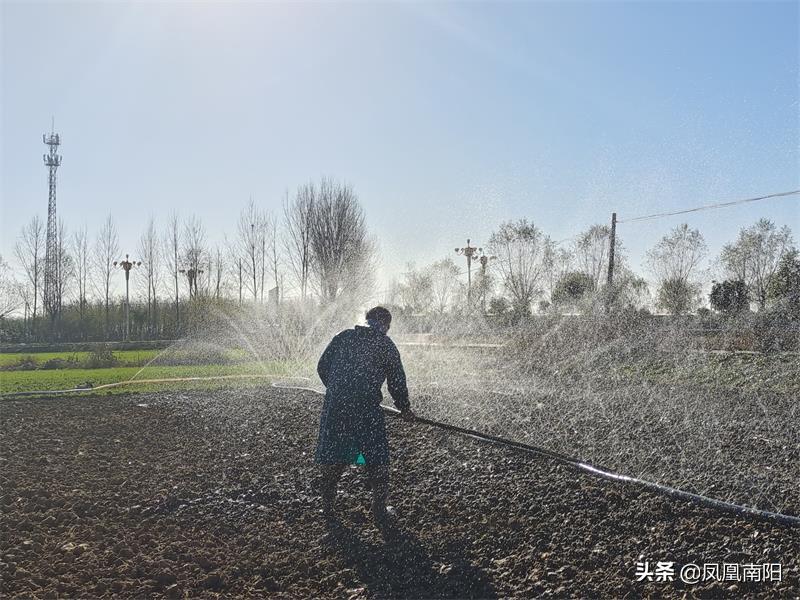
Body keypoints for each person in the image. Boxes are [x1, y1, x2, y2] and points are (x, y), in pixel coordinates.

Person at [315, 306, 415, 534]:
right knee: (376, 459)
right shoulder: (385, 344)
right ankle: (379, 511)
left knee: (336, 456)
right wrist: (405, 408)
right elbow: (397, 381)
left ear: (366, 320)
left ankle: (328, 509)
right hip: (366, 411)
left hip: (336, 409)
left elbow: (322, 367)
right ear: (386, 326)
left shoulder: (343, 337)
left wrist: (338, 392)